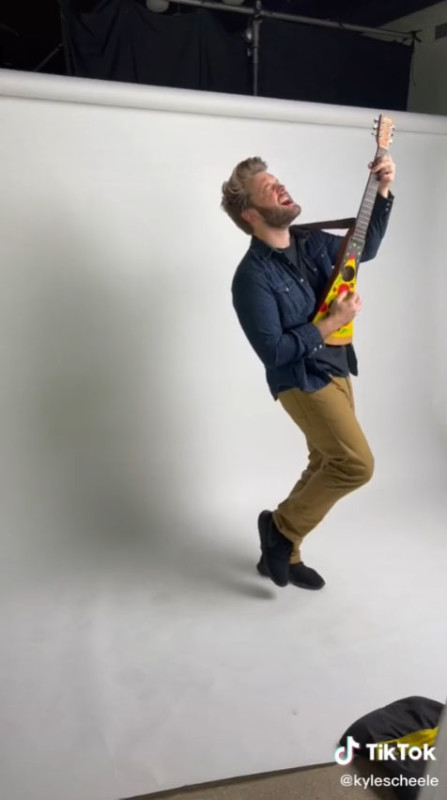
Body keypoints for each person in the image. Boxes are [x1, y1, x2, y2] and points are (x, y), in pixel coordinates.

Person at [221, 154, 395, 590]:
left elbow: (364, 249)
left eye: (278, 181)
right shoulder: (250, 278)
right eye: (268, 189)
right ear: (251, 214)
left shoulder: (311, 242)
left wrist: (384, 190)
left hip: (337, 364)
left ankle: (285, 551)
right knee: (356, 464)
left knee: (325, 460)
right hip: (300, 378)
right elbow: (274, 350)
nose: (281, 189)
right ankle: (279, 531)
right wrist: (329, 324)